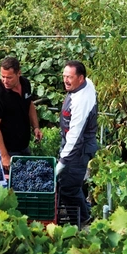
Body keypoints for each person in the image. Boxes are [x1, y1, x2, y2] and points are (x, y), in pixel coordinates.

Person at [56, 61, 98, 225]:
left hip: (78, 149)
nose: (65, 80)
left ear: (81, 78)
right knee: (69, 185)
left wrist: (62, 162)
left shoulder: (81, 102)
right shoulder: (86, 84)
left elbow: (75, 136)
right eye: (64, 76)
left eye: (70, 77)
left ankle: (82, 222)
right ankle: (83, 213)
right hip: (73, 144)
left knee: (69, 187)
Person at [0, 56, 42, 169]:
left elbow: (30, 105)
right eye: (3, 76)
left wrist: (35, 127)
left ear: (19, 73)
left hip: (23, 146)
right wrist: (4, 156)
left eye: (9, 77)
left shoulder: (25, 83)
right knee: (8, 185)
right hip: (5, 150)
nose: (5, 81)